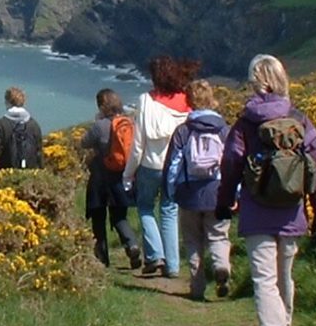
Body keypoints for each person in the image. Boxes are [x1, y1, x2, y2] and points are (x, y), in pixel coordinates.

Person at [216, 54, 316, 326]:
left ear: (255, 81)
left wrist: (224, 202)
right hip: (292, 211)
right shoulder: (299, 118)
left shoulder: (246, 122)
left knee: (264, 279)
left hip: (257, 212)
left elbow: (231, 163)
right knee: (284, 276)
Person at [122, 54, 199, 278]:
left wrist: (128, 174)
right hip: (176, 167)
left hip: (150, 165)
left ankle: (155, 256)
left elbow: (138, 144)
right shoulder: (187, 102)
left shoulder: (146, 100)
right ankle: (173, 266)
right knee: (169, 210)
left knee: (145, 207)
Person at [163, 79, 232, 300]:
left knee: (192, 240)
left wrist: (171, 191)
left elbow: (173, 166)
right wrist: (235, 192)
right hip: (218, 192)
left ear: (190, 102)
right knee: (218, 236)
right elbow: (233, 164)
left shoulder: (183, 131)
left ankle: (197, 287)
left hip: (189, 193)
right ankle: (222, 266)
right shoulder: (224, 130)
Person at [81, 89, 142, 269]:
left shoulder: (100, 126)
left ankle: (102, 259)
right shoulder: (129, 123)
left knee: (98, 217)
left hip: (100, 177)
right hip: (122, 176)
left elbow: (84, 142)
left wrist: (97, 121)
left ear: (101, 106)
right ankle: (132, 245)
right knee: (119, 217)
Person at [0, 86, 43, 170]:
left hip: (6, 173)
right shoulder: (34, 125)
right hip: (30, 175)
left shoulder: (1, 124)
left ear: (7, 102)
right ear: (23, 102)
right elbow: (39, 152)